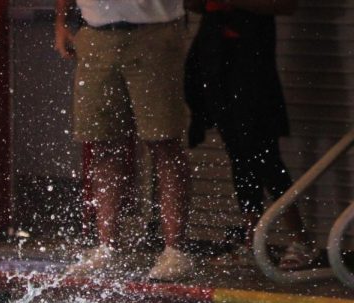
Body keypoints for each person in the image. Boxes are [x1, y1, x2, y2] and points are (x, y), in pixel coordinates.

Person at [54, 0, 195, 282]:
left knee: (164, 141)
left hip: (154, 32)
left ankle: (175, 250)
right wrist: (61, 22)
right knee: (103, 143)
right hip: (95, 32)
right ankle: (107, 245)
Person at [184, 0, 314, 270]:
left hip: (251, 54)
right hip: (215, 52)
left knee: (263, 150)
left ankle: (300, 238)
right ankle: (252, 240)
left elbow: (286, 6)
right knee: (238, 151)